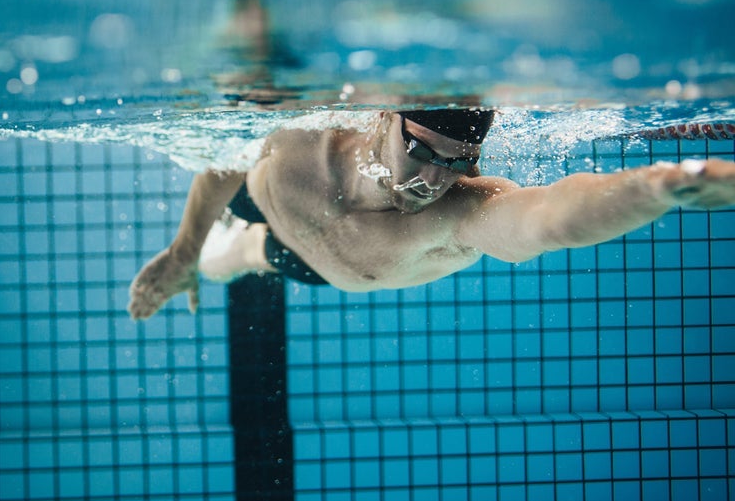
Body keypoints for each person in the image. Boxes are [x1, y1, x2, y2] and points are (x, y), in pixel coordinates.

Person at [127, 108, 735, 320]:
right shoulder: (300, 138)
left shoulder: (460, 210)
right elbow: (221, 165)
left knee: (238, 256)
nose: (432, 180)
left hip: (308, 259)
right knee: (240, 193)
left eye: (457, 160)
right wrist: (178, 248)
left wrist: (658, 188)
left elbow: (548, 217)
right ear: (384, 118)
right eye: (419, 150)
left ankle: (224, 257)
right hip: (276, 201)